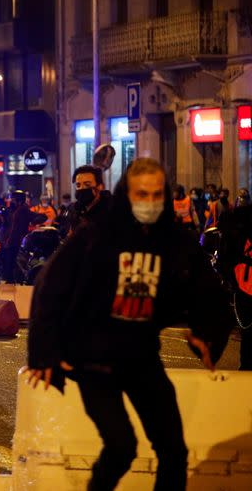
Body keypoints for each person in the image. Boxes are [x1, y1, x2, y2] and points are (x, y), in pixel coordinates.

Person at [26, 158, 234, 491]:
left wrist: (208, 333)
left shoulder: (175, 240)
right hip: (95, 360)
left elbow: (206, 289)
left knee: (173, 450)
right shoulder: (97, 235)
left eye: (156, 195)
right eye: (141, 194)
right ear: (126, 194)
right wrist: (44, 353)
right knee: (121, 447)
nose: (149, 203)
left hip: (142, 358)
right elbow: (51, 288)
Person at [217, 200, 252, 371]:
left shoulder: (237, 222)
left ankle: (246, 367)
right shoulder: (238, 224)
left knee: (247, 335)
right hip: (244, 287)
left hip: (243, 289)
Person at [0, 190, 46, 283]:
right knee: (7, 266)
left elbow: (42, 217)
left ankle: (13, 284)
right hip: (7, 243)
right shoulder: (10, 210)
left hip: (17, 243)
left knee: (13, 267)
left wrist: (33, 223)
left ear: (19, 200)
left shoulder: (23, 210)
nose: (10, 200)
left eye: (12, 199)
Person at [70, 165, 111, 232]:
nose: (81, 188)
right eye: (78, 185)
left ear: (100, 187)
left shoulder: (111, 210)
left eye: (87, 185)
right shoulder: (75, 211)